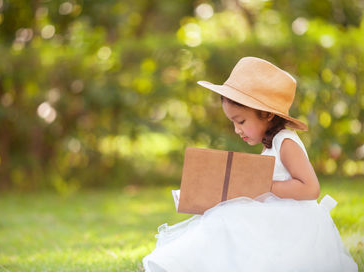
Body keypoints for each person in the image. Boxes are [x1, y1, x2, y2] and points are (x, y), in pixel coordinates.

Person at [142, 57, 358, 272]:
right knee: (219, 215)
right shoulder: (270, 145)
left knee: (229, 217)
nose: (237, 130)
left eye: (241, 121)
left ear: (267, 114)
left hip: (293, 224)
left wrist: (264, 184)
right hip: (274, 217)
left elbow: (311, 188)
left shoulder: (286, 142)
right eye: (233, 122)